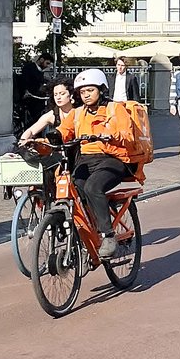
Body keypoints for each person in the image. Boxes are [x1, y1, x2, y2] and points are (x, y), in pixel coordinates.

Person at [57, 68, 137, 258]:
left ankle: (108, 236)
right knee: (74, 186)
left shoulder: (115, 109)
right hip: (86, 160)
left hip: (113, 159)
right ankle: (90, 227)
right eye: (82, 92)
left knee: (93, 187)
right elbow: (63, 131)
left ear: (101, 90)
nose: (86, 95)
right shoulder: (77, 113)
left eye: (90, 90)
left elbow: (127, 134)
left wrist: (109, 135)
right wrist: (39, 141)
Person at [19, 77, 76, 143]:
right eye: (55, 95)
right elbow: (31, 130)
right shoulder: (52, 115)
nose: (58, 97)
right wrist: (22, 141)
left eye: (62, 94)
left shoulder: (80, 111)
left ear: (71, 95)